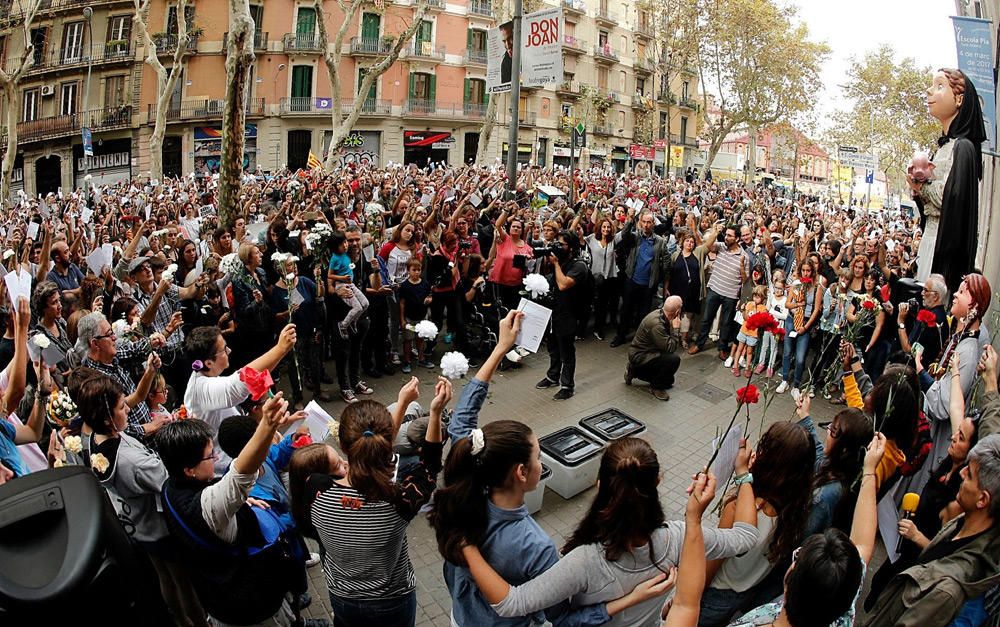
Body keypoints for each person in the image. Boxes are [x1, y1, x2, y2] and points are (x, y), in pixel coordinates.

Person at [431, 309, 624, 625]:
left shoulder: (467, 485)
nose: (541, 462)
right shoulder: (534, 547)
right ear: (521, 472)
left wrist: (500, 348)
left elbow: (463, 418)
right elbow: (563, 618)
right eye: (537, 457)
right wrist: (626, 601)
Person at [459, 437, 760, 627]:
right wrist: (743, 475)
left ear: (599, 484)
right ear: (658, 482)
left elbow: (512, 602)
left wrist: (467, 546)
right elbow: (746, 537)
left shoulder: (584, 561)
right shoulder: (679, 538)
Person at [293, 376, 450, 627]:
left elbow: (374, 451)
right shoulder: (398, 500)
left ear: (343, 445)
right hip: (393, 599)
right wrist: (434, 413)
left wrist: (401, 404)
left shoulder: (315, 490)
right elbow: (430, 465)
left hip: (342, 596)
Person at [865, 344, 1000, 624]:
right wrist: (989, 382)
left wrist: (916, 537)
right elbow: (977, 422)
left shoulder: (948, 590)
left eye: (970, 474)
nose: (963, 474)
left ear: (983, 500)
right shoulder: (970, 512)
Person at [157, 394, 306, 627]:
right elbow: (239, 475)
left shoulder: (169, 488)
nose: (216, 458)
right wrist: (267, 425)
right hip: (252, 607)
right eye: (209, 455)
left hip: (218, 601)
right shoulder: (207, 507)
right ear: (189, 469)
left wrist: (243, 504)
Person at [74, 372, 206, 627]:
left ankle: (179, 619)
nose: (128, 409)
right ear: (107, 417)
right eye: (122, 407)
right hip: (159, 527)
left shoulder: (93, 439)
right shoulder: (132, 462)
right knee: (183, 582)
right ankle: (198, 622)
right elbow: (167, 480)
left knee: (163, 576)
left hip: (137, 524)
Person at [729, 433, 887, 627]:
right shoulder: (840, 613)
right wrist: (869, 469)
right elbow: (862, 544)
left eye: (798, 557)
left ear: (788, 579)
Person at [908, 68, 987, 292]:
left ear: (960, 99)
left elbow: (951, 196)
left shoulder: (963, 148)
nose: (930, 91)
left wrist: (922, 187)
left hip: (943, 243)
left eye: (939, 85)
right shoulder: (944, 148)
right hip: (931, 238)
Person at [182, 323, 296, 475]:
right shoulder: (199, 389)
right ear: (209, 363)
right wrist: (280, 349)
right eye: (223, 349)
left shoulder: (207, 378)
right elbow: (238, 383)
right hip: (228, 469)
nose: (229, 351)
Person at [77, 311, 166, 442]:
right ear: (95, 344)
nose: (115, 338)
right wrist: (149, 427)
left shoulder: (110, 356)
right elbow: (116, 428)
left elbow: (133, 350)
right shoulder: (96, 382)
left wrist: (152, 342)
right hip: (139, 443)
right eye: (109, 334)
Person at [535, 229, 590, 400]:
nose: (558, 247)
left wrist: (556, 264)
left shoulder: (579, 266)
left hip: (570, 314)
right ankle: (553, 377)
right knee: (553, 348)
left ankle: (567, 385)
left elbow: (564, 284)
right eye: (557, 243)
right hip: (554, 312)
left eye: (562, 244)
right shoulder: (561, 260)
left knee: (566, 351)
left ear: (571, 247)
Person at [610, 210, 671, 348]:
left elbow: (667, 262)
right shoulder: (635, 237)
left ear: (653, 224)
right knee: (626, 310)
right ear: (640, 222)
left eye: (649, 222)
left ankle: (640, 339)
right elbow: (624, 235)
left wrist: (660, 277)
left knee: (643, 314)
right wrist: (630, 219)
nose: (646, 225)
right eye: (644, 222)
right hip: (632, 280)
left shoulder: (660, 241)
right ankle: (621, 336)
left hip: (648, 284)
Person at [690, 225, 749, 361]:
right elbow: (707, 246)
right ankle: (699, 344)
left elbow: (745, 280)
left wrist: (741, 266)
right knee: (706, 319)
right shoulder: (721, 246)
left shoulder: (744, 256)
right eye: (726, 235)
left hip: (731, 294)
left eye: (730, 236)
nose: (726, 237)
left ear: (738, 238)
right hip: (715, 289)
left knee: (726, 323)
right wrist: (715, 232)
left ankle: (722, 348)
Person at [625, 294, 683, 401]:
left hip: (650, 351)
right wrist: (676, 329)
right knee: (674, 360)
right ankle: (656, 387)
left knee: (669, 381)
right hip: (641, 356)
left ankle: (635, 371)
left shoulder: (662, 314)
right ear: (677, 312)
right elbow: (670, 347)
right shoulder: (656, 324)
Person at [327, 230, 370, 339]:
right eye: (350, 240)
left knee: (365, 304)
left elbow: (369, 238)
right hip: (341, 301)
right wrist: (337, 289)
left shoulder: (362, 255)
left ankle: (352, 321)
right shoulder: (336, 258)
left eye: (357, 240)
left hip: (351, 286)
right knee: (358, 307)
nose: (353, 243)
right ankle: (343, 325)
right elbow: (330, 283)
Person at [398, 257, 434, 373]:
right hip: (409, 318)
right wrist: (402, 320)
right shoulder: (404, 286)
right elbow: (402, 303)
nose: (417, 272)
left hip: (422, 317)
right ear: (408, 270)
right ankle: (407, 361)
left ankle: (421, 358)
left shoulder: (425, 284)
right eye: (414, 270)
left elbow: (430, 296)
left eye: (419, 270)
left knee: (420, 338)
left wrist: (429, 299)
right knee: (408, 340)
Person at [730, 285, 767, 378]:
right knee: (739, 348)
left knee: (749, 352)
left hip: (753, 334)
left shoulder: (763, 309)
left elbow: (759, 323)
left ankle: (747, 368)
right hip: (744, 330)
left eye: (758, 297)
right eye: (754, 296)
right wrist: (743, 310)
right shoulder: (749, 304)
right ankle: (735, 366)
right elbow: (745, 318)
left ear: (762, 298)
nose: (755, 299)